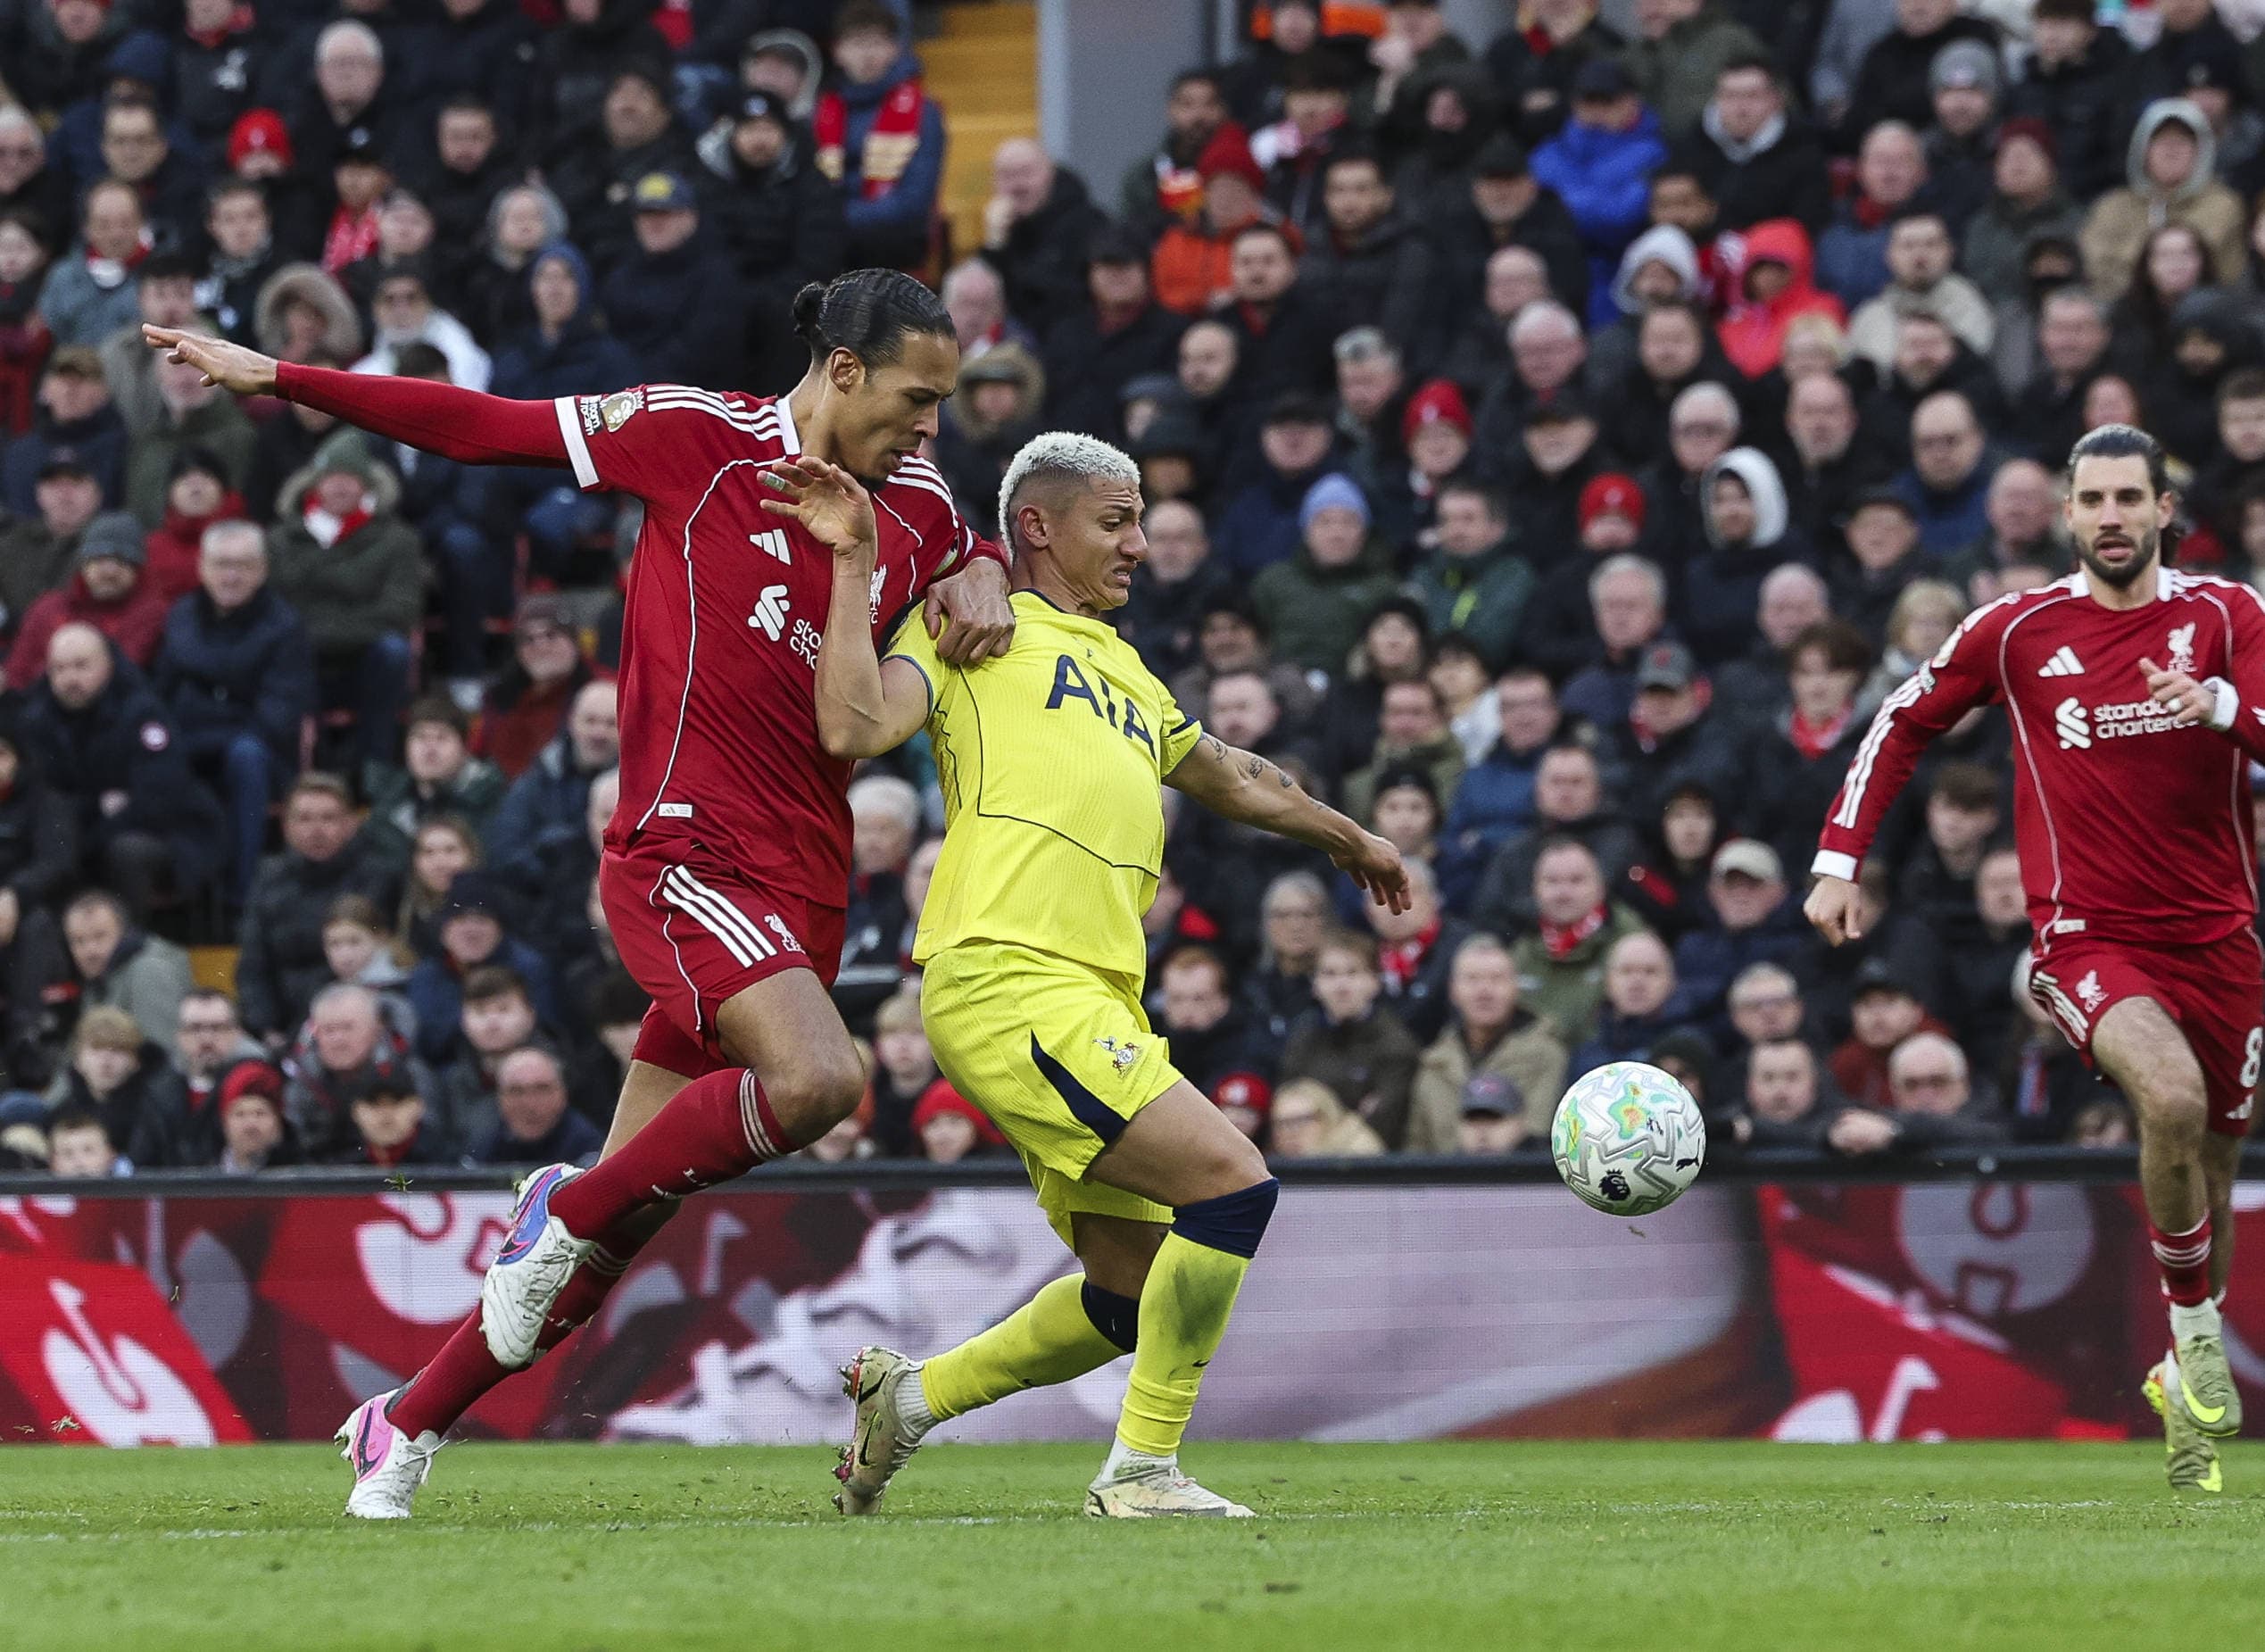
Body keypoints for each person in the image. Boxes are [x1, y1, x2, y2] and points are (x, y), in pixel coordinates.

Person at [148, 268, 1017, 1516]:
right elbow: (484, 422)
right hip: (684, 856)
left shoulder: (921, 506)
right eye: (918, 396)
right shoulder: (698, 439)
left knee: (600, 1253)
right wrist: (285, 377)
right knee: (822, 1081)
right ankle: (558, 1198)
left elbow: (953, 571)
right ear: (842, 372)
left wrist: (980, 559)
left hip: (803, 889)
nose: (933, 426)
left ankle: (400, 1421)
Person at [797, 430, 1405, 1518]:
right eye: (1116, 522)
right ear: (1037, 526)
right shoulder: (968, 626)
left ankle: (912, 1398)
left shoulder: (1127, 666)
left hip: (1091, 995)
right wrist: (854, 576)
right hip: (1009, 976)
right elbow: (851, 720)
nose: (1141, 546)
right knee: (1232, 1181)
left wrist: (1345, 835)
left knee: (1125, 1294)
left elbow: (1230, 774)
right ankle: (1140, 1472)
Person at [1806, 422, 2265, 1495]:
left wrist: (2224, 708)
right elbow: (1902, 721)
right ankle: (2197, 1335)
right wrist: (1839, 858)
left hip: (2223, 941)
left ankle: (2179, 1392)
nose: (2110, 516)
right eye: (2091, 499)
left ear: (2164, 510)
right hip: (2086, 936)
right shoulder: (2017, 632)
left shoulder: (2227, 616)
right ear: (2068, 514)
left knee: (2211, 1161)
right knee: (2171, 1098)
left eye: (2129, 498)